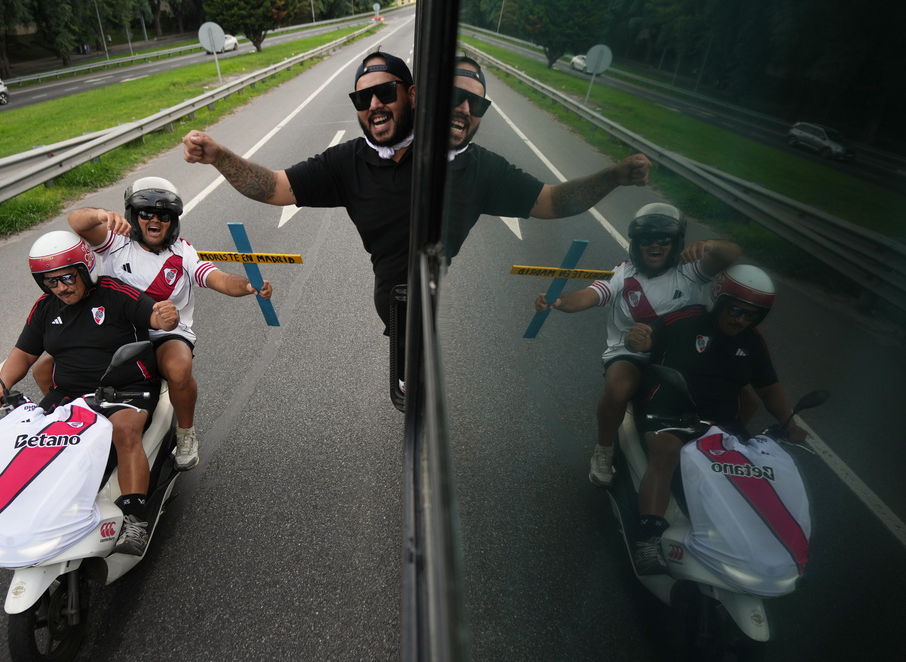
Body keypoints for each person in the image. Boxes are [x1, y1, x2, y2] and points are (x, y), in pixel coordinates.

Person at [181, 51, 651, 394]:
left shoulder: (479, 169)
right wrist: (219, 156)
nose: (374, 105)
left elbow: (552, 202)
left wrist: (614, 176)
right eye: (363, 99)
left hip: (424, 299)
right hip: (394, 302)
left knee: (417, 387)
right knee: (409, 381)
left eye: (477, 105)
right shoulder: (349, 162)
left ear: (410, 96)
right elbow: (275, 187)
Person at [32, 177, 272, 471]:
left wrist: (248, 285)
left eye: (164, 215)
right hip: (112, 330)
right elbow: (76, 221)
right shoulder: (113, 242)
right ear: (134, 216)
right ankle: (70, 419)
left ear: (173, 222)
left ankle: (185, 434)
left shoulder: (184, 253)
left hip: (164, 332)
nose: (155, 220)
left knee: (179, 369)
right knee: (44, 367)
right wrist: (100, 216)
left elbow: (217, 278)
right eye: (146, 213)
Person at [0, 231, 180, 556]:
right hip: (70, 392)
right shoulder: (46, 308)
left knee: (124, 430)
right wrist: (0, 386)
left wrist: (165, 316)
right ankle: (24, 517)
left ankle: (134, 520)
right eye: (51, 281)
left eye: (67, 278)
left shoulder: (115, 293)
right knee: (33, 439)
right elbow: (24, 353)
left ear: (85, 268)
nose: (60, 287)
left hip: (127, 388)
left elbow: (155, 315)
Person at [535, 203, 742, 487]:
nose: (654, 245)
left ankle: (736, 446)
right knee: (618, 388)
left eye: (664, 240)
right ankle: (603, 450)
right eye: (646, 240)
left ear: (676, 242)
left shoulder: (693, 270)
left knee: (739, 385)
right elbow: (587, 296)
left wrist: (711, 245)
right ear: (637, 244)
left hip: (682, 354)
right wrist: (558, 301)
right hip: (630, 353)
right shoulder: (623, 272)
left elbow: (731, 255)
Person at [624, 264, 808, 574]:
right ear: (718, 299)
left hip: (720, 421)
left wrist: (788, 421)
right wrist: (638, 339)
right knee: (667, 453)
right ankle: (648, 540)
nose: (741, 320)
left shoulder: (752, 341)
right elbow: (646, 337)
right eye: (735, 310)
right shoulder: (684, 320)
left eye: (751, 315)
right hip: (667, 411)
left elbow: (769, 387)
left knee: (751, 468)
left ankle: (742, 541)